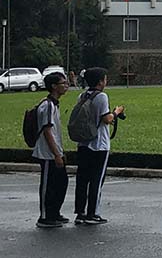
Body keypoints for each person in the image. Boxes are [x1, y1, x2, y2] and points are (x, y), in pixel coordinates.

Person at [74, 67, 124, 225]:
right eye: (105, 79)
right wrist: (116, 112)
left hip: (83, 143)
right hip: (99, 144)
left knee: (82, 180)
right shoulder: (102, 97)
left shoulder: (82, 96)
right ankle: (93, 213)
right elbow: (106, 119)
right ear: (100, 81)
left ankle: (80, 212)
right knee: (97, 179)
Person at [33, 72, 70, 228]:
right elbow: (48, 131)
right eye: (63, 83)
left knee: (61, 182)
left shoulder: (54, 104)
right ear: (54, 86)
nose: (66, 86)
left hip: (55, 152)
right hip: (48, 153)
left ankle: (54, 212)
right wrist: (56, 154)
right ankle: (45, 216)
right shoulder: (47, 105)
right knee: (48, 185)